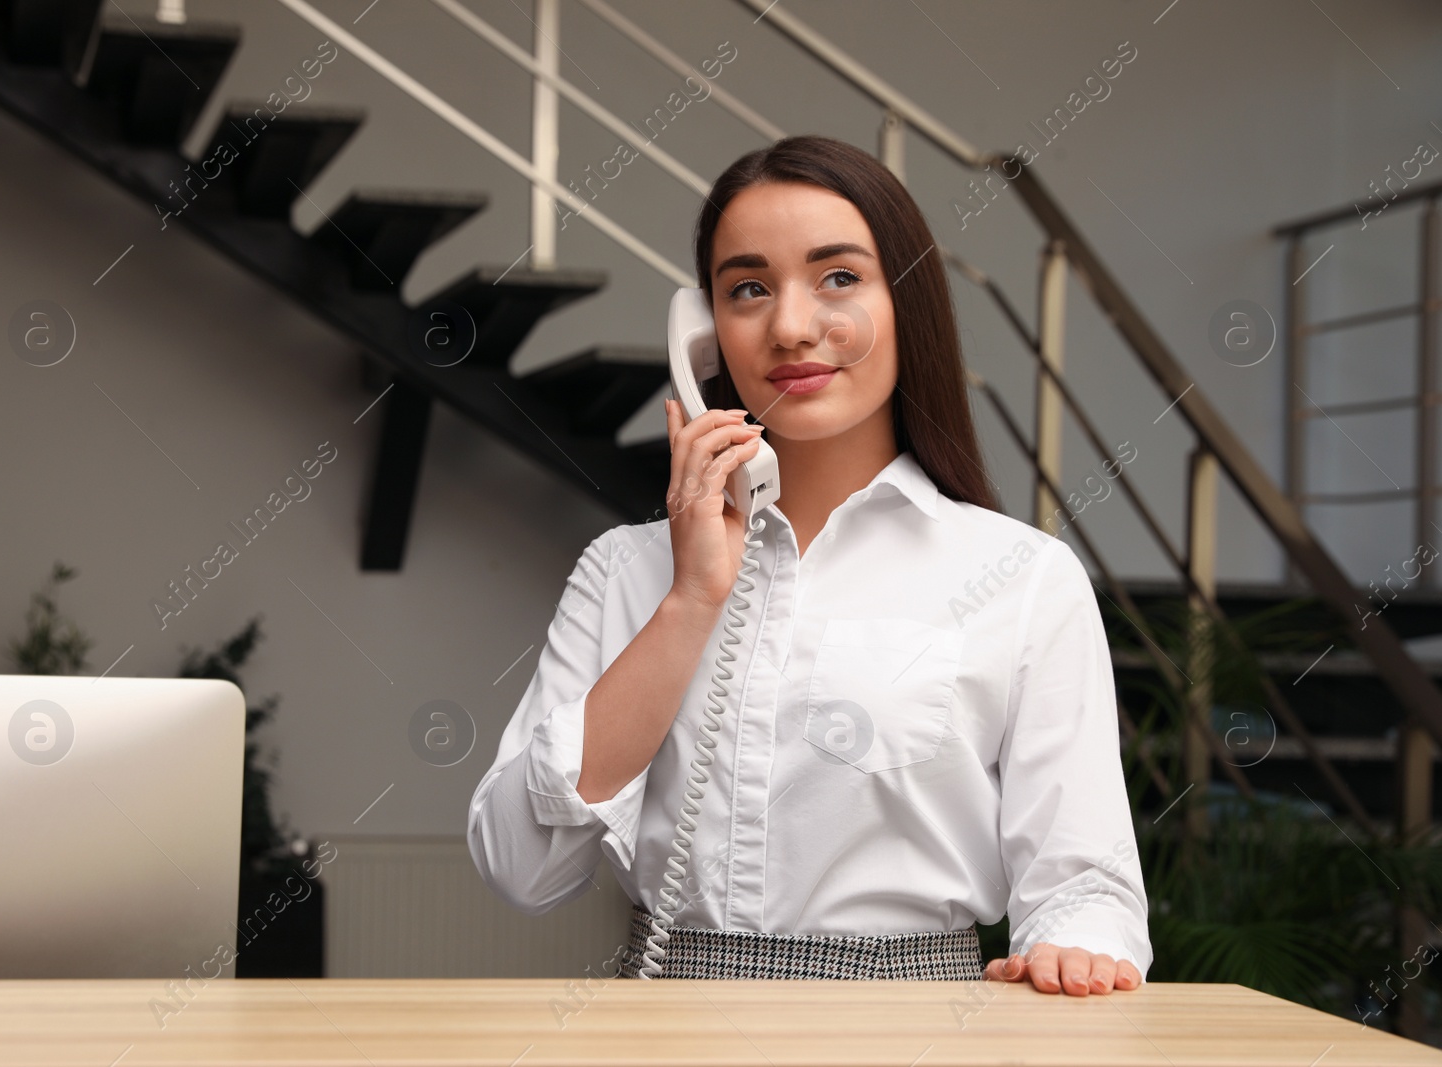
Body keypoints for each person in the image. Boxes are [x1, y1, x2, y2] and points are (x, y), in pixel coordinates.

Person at [466, 134, 1151, 993]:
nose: (790, 327)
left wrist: (1073, 948)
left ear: (908, 305)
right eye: (747, 289)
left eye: (838, 277)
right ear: (705, 335)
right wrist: (689, 602)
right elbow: (520, 869)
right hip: (666, 1034)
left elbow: (1087, 885)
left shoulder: (1025, 577)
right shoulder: (622, 572)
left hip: (919, 1038)